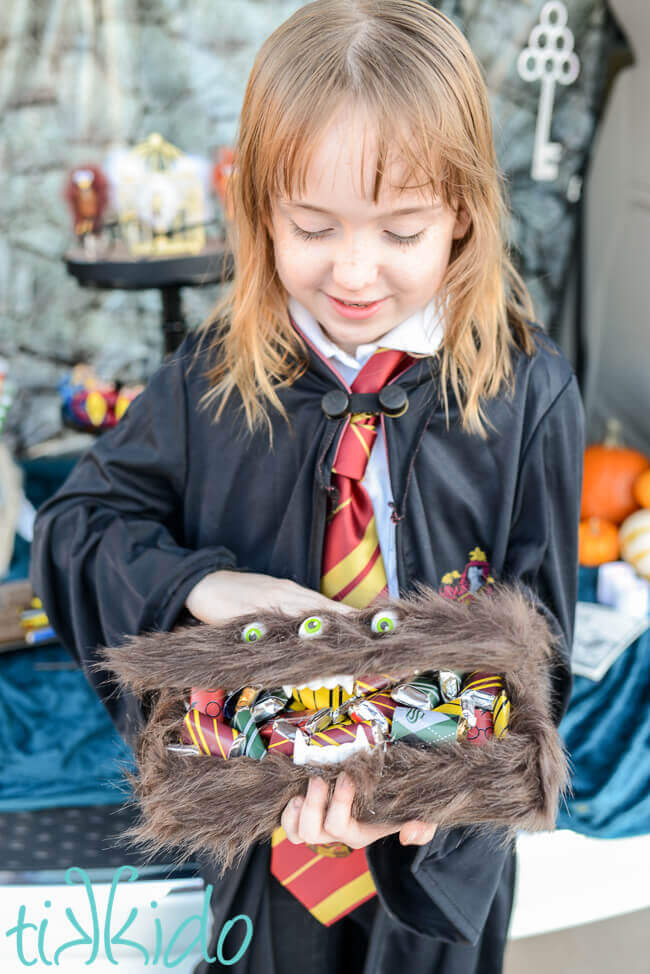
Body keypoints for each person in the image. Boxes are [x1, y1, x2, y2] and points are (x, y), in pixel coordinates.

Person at [30, 1, 585, 972]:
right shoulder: (210, 375)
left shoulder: (528, 390)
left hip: (436, 859)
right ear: (261, 210)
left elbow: (540, 647)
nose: (355, 270)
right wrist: (202, 585)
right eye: (314, 226)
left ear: (459, 211)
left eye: (400, 229)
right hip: (260, 840)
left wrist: (438, 798)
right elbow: (77, 526)